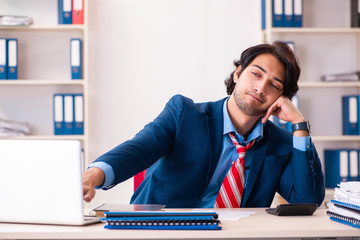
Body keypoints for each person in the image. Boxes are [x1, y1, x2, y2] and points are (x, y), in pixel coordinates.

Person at [82, 41, 325, 208]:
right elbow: (140, 149)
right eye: (256, 74)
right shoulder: (184, 114)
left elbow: (307, 201)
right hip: (161, 231)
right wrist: (95, 175)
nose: (261, 88)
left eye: (274, 85)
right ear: (238, 74)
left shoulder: (280, 143)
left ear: (281, 97)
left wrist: (299, 125)